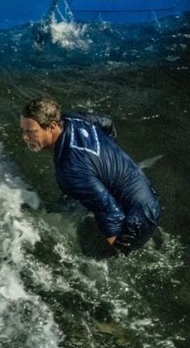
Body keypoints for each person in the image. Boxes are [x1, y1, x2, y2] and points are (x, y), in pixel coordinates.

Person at [20, 97, 161, 254]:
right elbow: (107, 123)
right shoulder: (70, 118)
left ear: (52, 127)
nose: (24, 137)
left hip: (137, 219)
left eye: (31, 132)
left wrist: (114, 250)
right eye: (23, 130)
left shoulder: (70, 170)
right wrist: (105, 159)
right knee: (76, 196)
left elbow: (111, 213)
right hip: (145, 191)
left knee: (87, 251)